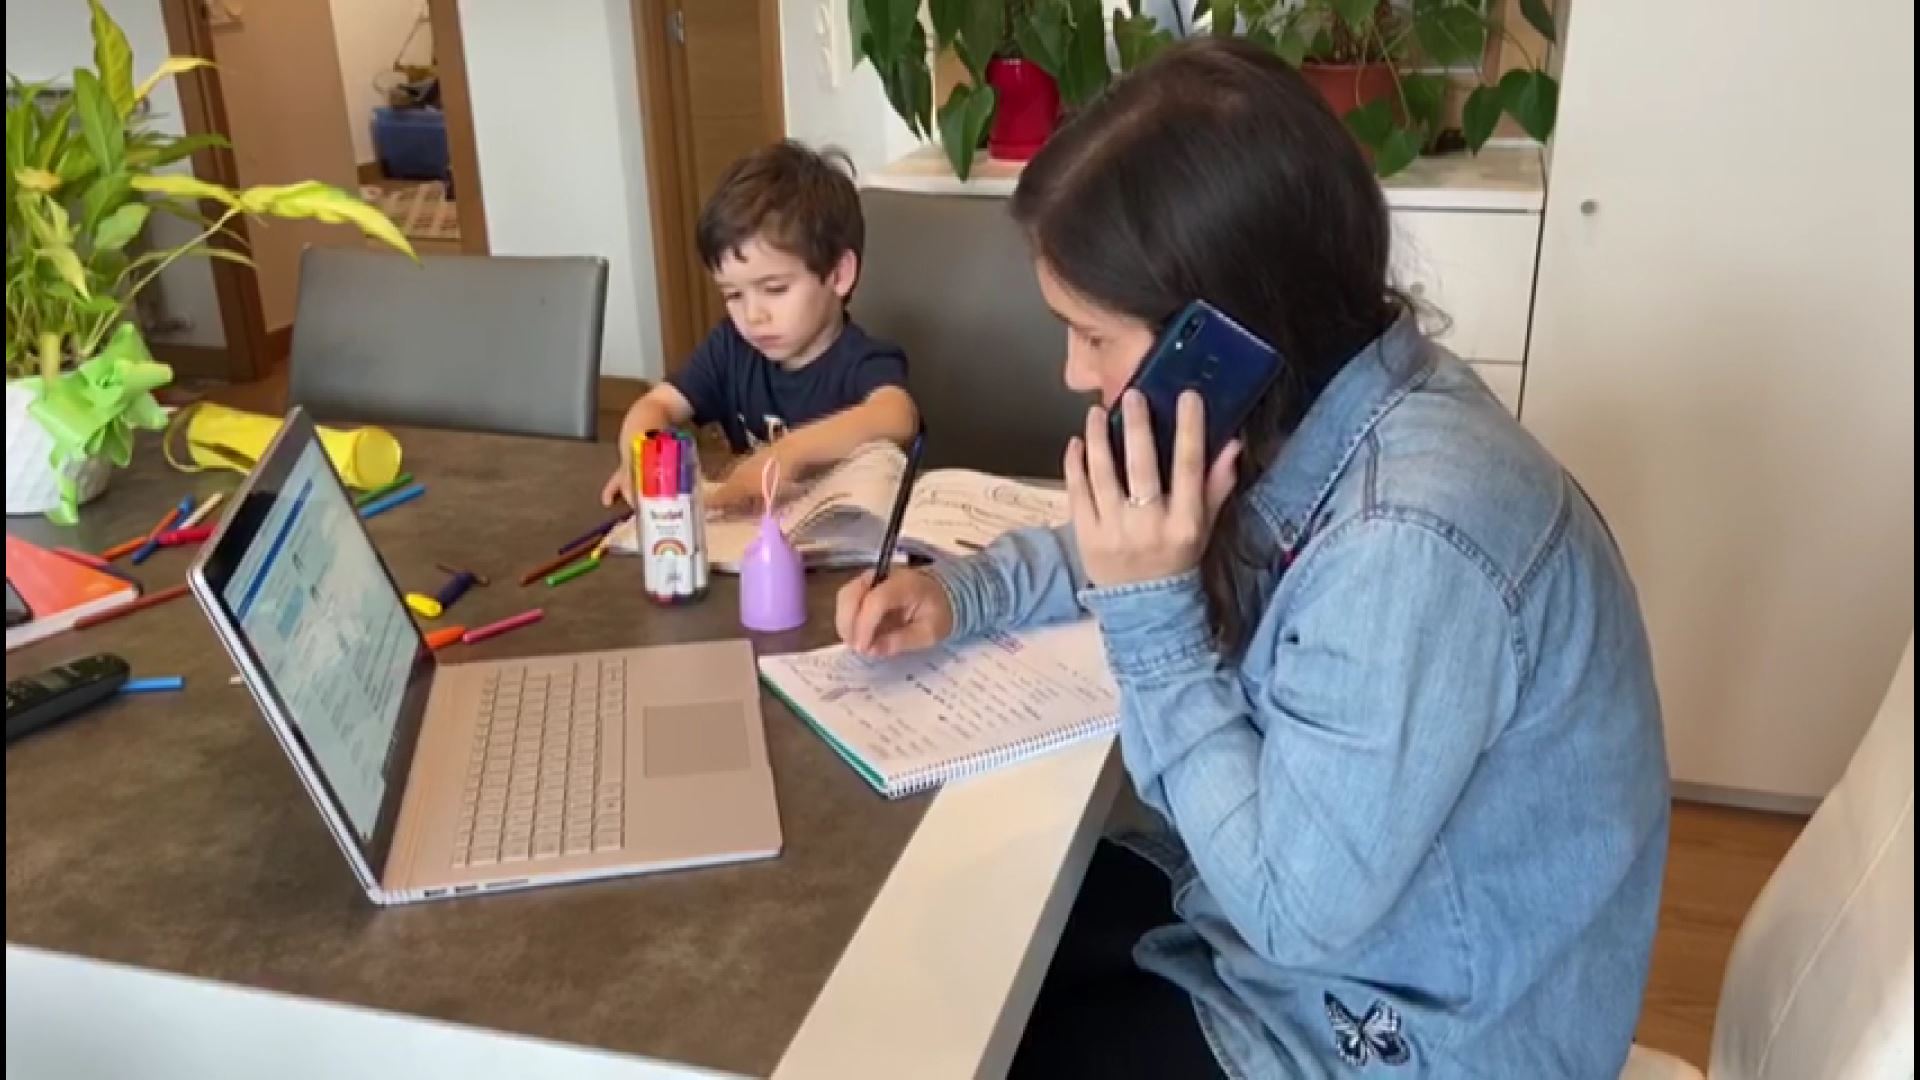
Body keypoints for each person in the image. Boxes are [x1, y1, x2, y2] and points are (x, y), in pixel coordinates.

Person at [834, 38, 1669, 1080]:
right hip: (1318, 949)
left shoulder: (1407, 543)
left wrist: (1151, 614)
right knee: (967, 943)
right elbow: (1139, 528)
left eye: (1092, 335)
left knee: (940, 1045)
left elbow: (1289, 910)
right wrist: (965, 591)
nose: (1071, 372)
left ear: (1217, 337)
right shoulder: (1325, 396)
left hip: (1400, 1035)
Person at [601, 141, 919, 510]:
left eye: (774, 289)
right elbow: (656, 404)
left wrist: (789, 452)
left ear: (838, 274)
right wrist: (638, 456)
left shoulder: (862, 360)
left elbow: (897, 415)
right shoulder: (731, 348)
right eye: (733, 294)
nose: (753, 316)